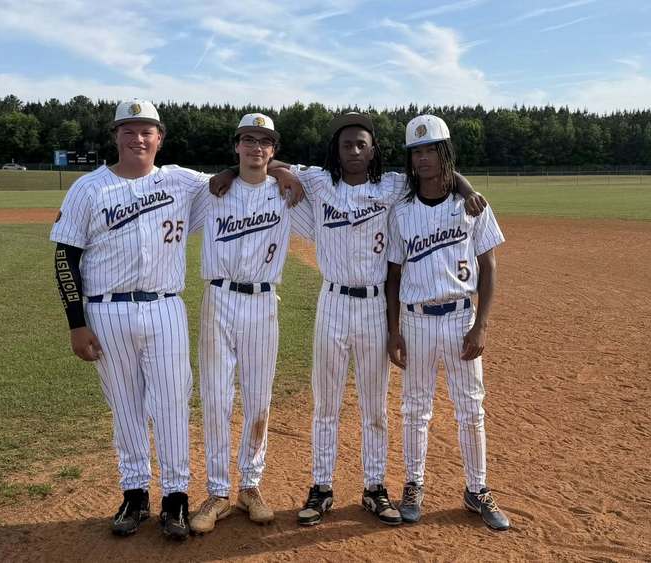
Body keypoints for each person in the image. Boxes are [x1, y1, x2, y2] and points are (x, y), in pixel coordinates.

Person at [214, 112, 487, 527]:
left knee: (374, 406)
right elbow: (264, 164)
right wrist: (232, 170)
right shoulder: (320, 182)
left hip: (376, 305)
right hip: (333, 302)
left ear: (373, 149)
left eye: (362, 144)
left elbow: (442, 173)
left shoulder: (393, 185)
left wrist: (467, 189)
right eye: (347, 144)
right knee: (326, 402)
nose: (355, 151)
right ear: (336, 151)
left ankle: (374, 487)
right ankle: (321, 487)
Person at [50, 101, 299, 541]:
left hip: (166, 306)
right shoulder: (88, 189)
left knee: (172, 405)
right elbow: (65, 256)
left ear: (159, 138)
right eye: (128, 130)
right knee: (124, 406)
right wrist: (76, 321)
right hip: (105, 310)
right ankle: (134, 493)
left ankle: (176, 499)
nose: (138, 138)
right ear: (116, 137)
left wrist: (278, 168)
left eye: (146, 131)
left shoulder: (182, 181)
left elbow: (247, 171)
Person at [188, 114, 314, 534]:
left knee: (259, 397)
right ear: (236, 146)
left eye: (265, 142)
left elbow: (327, 184)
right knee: (217, 397)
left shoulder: (287, 194)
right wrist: (226, 173)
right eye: (248, 140)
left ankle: (251, 486)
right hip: (218, 298)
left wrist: (284, 172)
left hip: (263, 301)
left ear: (273, 149)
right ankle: (218, 491)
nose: (256, 147)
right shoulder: (213, 190)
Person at [385, 114, 511, 531]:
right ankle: (413, 484)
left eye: (430, 150)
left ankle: (477, 489)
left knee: (471, 409)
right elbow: (394, 275)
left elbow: (489, 267)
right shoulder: (402, 211)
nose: (422, 159)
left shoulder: (471, 205)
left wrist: (483, 325)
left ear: (445, 153)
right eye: (415, 151)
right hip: (416, 319)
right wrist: (393, 329)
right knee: (415, 409)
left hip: (461, 317)